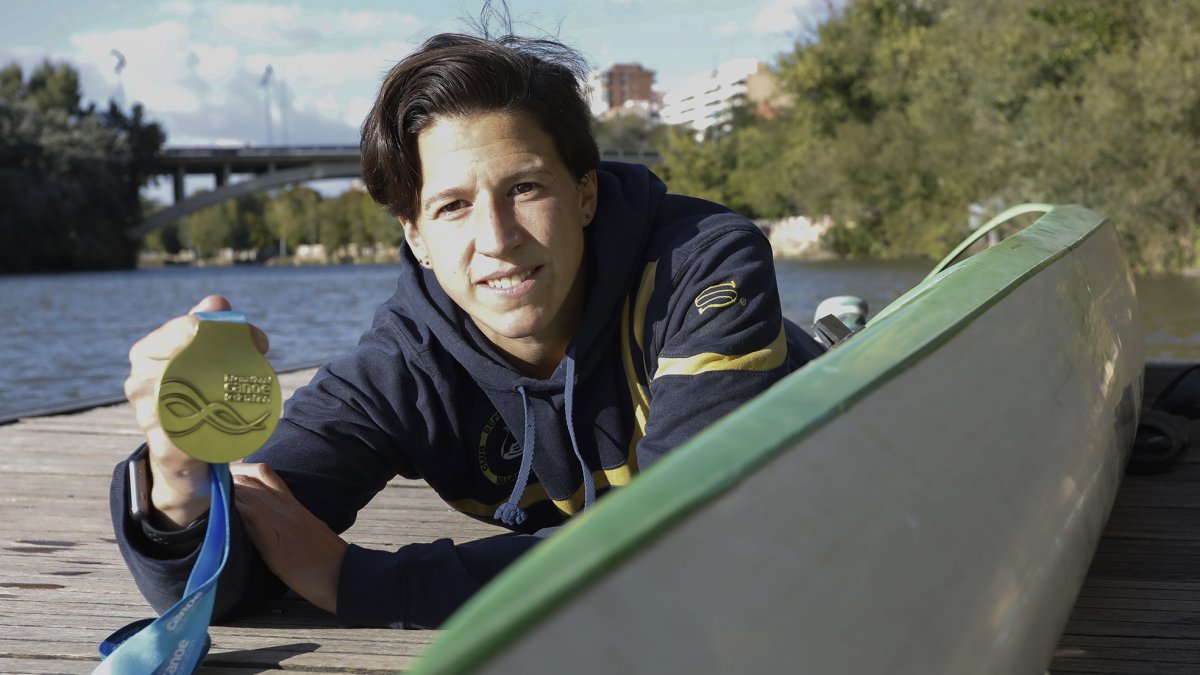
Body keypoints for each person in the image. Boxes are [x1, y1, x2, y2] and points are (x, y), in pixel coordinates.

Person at [111, 31, 823, 630]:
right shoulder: (406, 364)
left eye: (525, 188)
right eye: (452, 206)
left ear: (585, 192)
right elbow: (220, 585)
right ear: (415, 235)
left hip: (815, 411)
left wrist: (357, 579)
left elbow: (685, 540)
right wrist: (179, 480)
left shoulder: (705, 264)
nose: (498, 239)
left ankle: (837, 325)